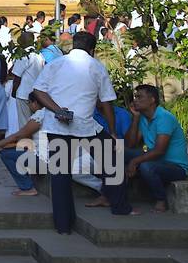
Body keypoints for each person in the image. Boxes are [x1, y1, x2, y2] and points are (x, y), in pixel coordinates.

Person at [29, 30, 129, 234]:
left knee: (60, 177)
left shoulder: (56, 64)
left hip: (58, 126)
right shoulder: (97, 67)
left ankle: (63, 226)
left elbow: (38, 91)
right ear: (92, 50)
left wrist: (57, 109)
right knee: (113, 163)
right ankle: (120, 208)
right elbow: (107, 103)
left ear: (73, 45)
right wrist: (112, 131)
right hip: (85, 126)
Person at [110, 84, 188, 212]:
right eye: (135, 97)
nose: (135, 100)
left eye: (139, 97)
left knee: (146, 166)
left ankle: (161, 199)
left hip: (176, 167)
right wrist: (135, 118)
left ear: (152, 100)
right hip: (156, 159)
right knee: (117, 151)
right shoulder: (142, 117)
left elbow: (159, 150)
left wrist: (134, 161)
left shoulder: (164, 117)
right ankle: (109, 194)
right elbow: (130, 144)